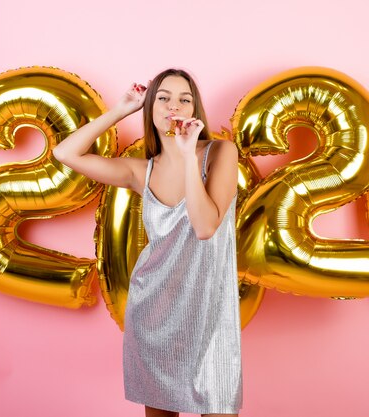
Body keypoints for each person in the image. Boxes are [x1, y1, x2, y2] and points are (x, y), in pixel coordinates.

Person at [53, 68, 242, 417]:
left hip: (210, 314)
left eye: (185, 99)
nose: (174, 105)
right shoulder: (141, 171)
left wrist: (187, 156)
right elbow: (66, 154)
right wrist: (120, 109)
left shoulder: (220, 153)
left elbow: (205, 227)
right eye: (164, 98)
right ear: (150, 109)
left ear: (194, 110)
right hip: (154, 310)